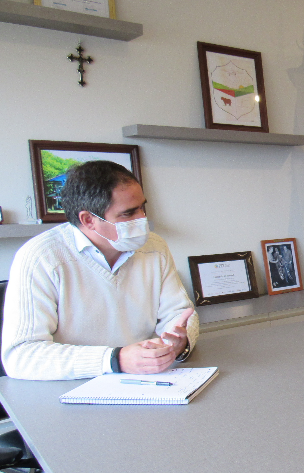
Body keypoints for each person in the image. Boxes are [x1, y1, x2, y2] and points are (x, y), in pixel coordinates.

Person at [2, 160, 199, 380]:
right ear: (88, 220)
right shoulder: (41, 257)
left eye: (143, 207)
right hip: (68, 390)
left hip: (146, 383)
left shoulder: (155, 247)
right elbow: (21, 356)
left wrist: (179, 340)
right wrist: (115, 359)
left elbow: (179, 314)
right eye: (128, 214)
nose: (142, 219)